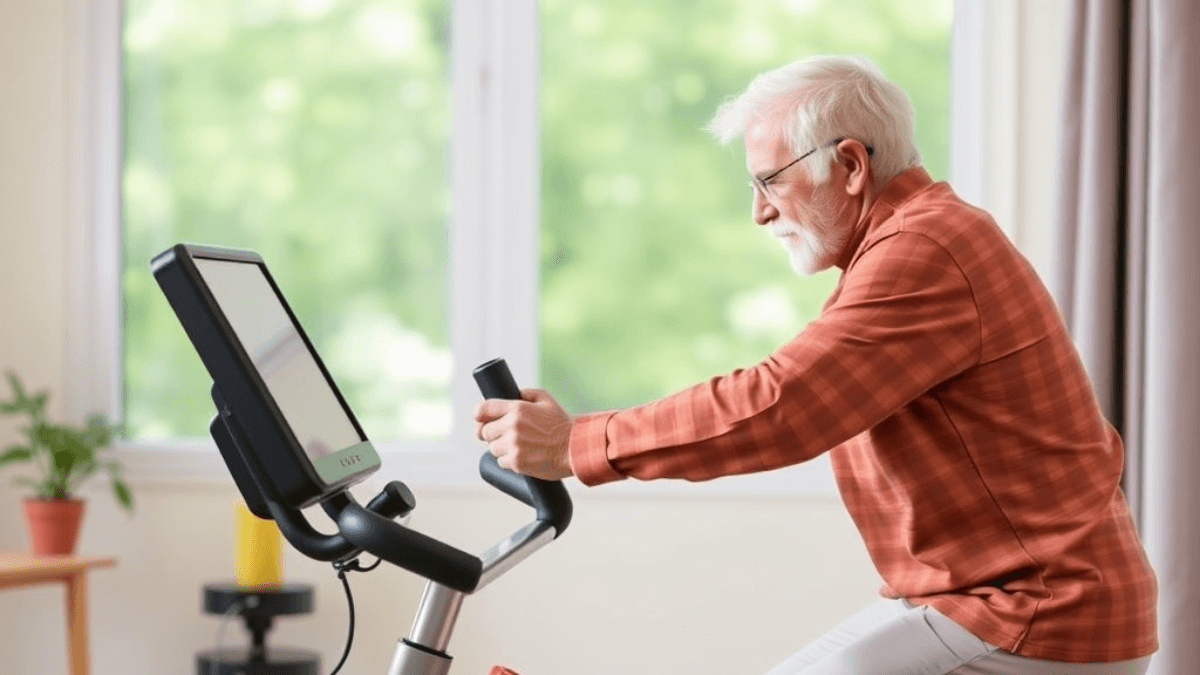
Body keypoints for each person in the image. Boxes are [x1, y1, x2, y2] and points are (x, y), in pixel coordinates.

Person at [473, 55, 1158, 675]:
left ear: (852, 165)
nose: (759, 211)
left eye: (770, 180)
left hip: (1037, 613)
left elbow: (781, 406)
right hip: (985, 601)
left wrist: (575, 442)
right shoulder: (905, 244)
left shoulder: (927, 248)